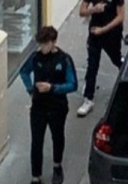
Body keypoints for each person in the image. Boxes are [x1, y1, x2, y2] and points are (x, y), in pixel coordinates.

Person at [20, 26, 77, 184]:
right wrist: (31, 89)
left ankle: (57, 166)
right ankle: (35, 175)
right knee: (36, 140)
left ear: (53, 42)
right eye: (40, 44)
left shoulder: (64, 59)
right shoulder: (35, 57)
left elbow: (73, 84)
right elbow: (24, 71)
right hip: (38, 105)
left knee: (57, 136)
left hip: (57, 106)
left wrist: (52, 88)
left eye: (45, 44)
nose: (41, 48)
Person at [76, 0, 125, 117]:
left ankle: (126, 80)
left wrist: (103, 29)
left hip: (111, 34)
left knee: (116, 59)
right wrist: (93, 10)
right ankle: (88, 98)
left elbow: (120, 17)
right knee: (92, 66)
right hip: (95, 33)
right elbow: (82, 11)